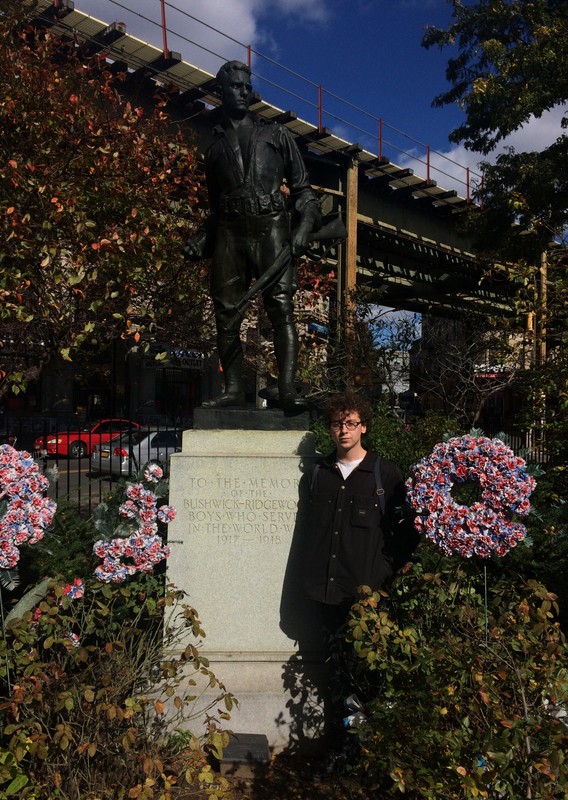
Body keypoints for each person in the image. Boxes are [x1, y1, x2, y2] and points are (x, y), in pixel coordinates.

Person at [183, 60, 322, 411]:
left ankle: (287, 388)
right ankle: (232, 388)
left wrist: (303, 229)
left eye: (247, 86)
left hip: (271, 227)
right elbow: (216, 207)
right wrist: (203, 237)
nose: (244, 92)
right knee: (226, 313)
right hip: (230, 232)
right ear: (221, 92)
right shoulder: (212, 146)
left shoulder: (276, 134)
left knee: (280, 307)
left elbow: (305, 192)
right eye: (236, 87)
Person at [299, 390, 418, 768]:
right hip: (325, 592)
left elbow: (408, 534)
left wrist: (381, 574)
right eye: (337, 423)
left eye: (351, 423)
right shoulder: (319, 473)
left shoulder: (386, 474)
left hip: (366, 596)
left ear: (364, 426)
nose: (343, 430)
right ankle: (343, 746)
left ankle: (361, 749)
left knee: (365, 673)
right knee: (337, 673)